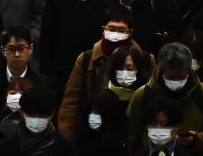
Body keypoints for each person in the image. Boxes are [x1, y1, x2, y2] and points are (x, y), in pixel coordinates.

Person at [58, 9, 150, 141]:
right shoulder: (86, 59)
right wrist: (67, 138)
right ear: (103, 29)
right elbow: (71, 102)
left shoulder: (145, 60)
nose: (116, 34)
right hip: (95, 132)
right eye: (111, 29)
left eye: (121, 30)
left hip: (132, 135)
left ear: (130, 33)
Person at [126, 43, 203, 156]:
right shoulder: (143, 95)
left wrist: (195, 140)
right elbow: (131, 133)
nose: (176, 81)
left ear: (189, 70)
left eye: (181, 77)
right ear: (161, 70)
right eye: (171, 77)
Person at [40, 0, 113, 88]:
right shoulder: (56, 0)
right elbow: (46, 40)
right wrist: (49, 73)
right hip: (60, 76)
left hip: (94, 76)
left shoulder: (107, 2)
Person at [0, 26, 48, 120]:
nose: (17, 54)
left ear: (30, 49)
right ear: (3, 51)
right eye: (11, 49)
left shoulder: (42, 84)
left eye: (21, 49)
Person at [0, 85, 77, 156]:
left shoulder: (65, 148)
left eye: (43, 116)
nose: (37, 120)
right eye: (32, 115)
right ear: (22, 113)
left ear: (52, 114)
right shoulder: (6, 148)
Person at [78, 88, 131, 156]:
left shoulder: (122, 146)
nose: (93, 116)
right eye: (91, 112)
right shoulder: (83, 141)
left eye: (97, 113)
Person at [107, 45, 153, 110]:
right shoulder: (106, 96)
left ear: (138, 69)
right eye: (120, 68)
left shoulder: (145, 95)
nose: (124, 72)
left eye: (129, 68)